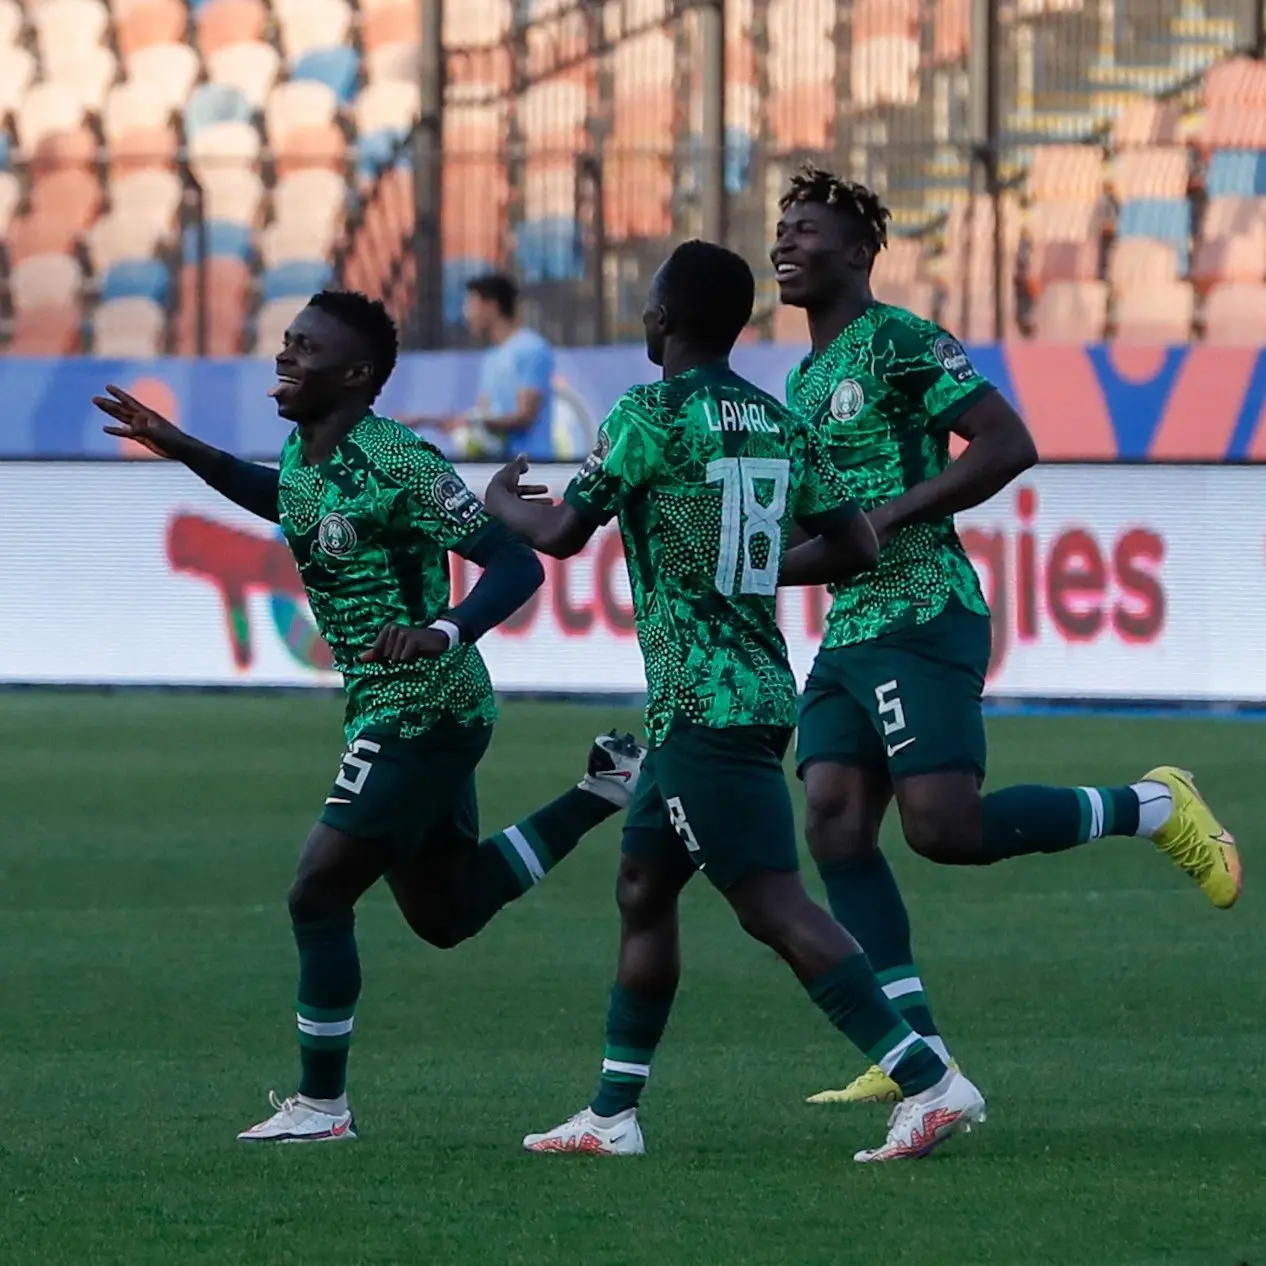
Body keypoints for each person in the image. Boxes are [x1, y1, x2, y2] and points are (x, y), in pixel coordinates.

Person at [92, 289, 646, 1143]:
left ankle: (322, 1106)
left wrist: (443, 629)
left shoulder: (400, 461)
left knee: (317, 893)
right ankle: (602, 789)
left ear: (354, 375)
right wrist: (178, 445)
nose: (284, 357)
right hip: (389, 708)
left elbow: (514, 564)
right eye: (285, 341)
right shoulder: (309, 451)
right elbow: (287, 498)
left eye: (303, 348)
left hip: (423, 709)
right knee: (446, 913)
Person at [484, 239, 987, 1164]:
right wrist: (751, 576)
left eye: (647, 305)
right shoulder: (771, 419)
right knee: (644, 886)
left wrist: (500, 503)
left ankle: (929, 1083)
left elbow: (559, 533)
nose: (643, 318)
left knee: (772, 905)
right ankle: (613, 1113)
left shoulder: (648, 413)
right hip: (737, 692)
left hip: (708, 706)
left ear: (667, 320)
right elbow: (858, 546)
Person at [771, 163, 1243, 1105]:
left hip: (923, 613)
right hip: (852, 628)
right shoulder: (803, 375)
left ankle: (1151, 805)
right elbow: (825, 533)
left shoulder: (900, 340)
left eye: (808, 228)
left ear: (862, 250)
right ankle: (917, 1056)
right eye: (780, 226)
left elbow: (1007, 442)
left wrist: (895, 515)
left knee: (945, 829)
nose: (784, 241)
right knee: (832, 818)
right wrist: (748, 564)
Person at [421, 272, 555, 460]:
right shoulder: (491, 358)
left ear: (491, 306)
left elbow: (525, 415)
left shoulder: (531, 348)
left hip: (532, 468)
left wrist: (473, 421)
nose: (466, 314)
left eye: (471, 304)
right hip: (498, 469)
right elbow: (484, 412)